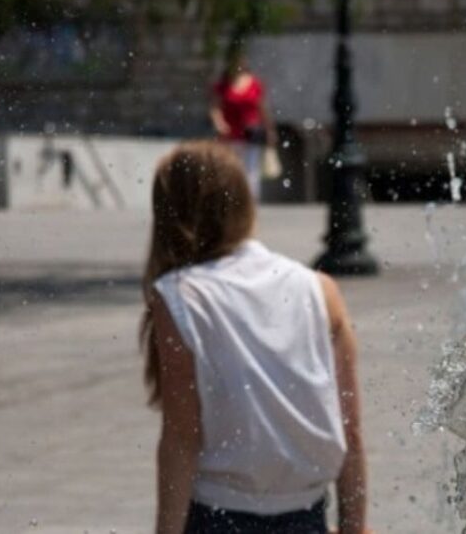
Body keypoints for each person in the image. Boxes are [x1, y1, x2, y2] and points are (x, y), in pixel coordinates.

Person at [140, 141, 369, 534]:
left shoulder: (181, 296)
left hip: (218, 515)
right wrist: (354, 526)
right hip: (306, 516)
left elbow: (182, 436)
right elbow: (351, 430)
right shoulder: (319, 289)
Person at [209, 42, 277, 198]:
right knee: (229, 170)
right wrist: (219, 123)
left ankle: (250, 203)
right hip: (229, 134)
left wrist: (270, 129)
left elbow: (263, 108)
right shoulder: (223, 85)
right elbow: (215, 108)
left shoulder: (254, 84)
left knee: (251, 171)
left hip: (251, 133)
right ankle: (232, 202)